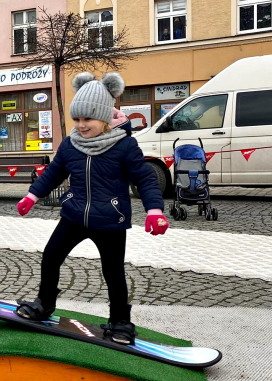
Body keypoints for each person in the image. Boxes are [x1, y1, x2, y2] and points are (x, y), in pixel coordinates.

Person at [15, 72, 169, 345]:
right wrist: (32, 195)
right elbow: (53, 173)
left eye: (88, 119)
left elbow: (145, 178)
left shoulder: (124, 146)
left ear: (104, 117)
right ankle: (44, 304)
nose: (81, 125)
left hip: (110, 220)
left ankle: (120, 321)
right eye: (77, 119)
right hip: (74, 214)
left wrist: (154, 211)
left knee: (113, 271)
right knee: (51, 257)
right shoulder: (70, 145)